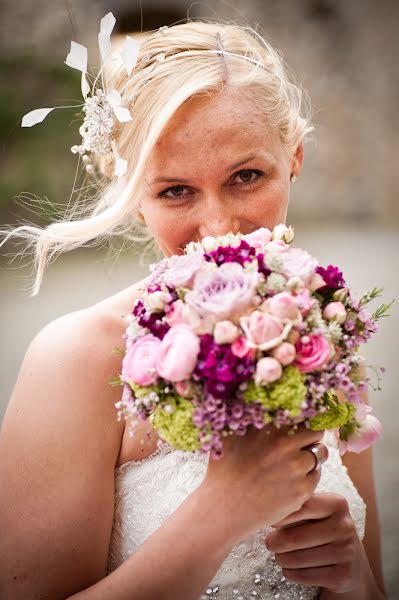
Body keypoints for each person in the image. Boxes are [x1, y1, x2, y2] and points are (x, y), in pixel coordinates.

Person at [0, 18, 387, 600]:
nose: (217, 228)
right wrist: (219, 513)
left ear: (296, 157)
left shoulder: (318, 335)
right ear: (135, 196)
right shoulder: (75, 359)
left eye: (246, 176)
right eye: (175, 190)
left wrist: (353, 577)